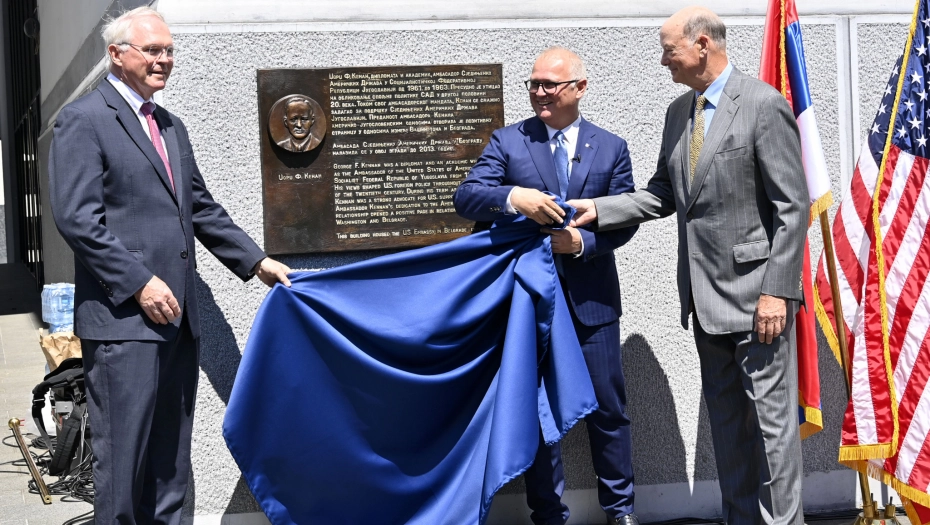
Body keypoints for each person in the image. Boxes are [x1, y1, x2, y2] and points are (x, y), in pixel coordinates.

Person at [48, 7, 292, 523]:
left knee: (171, 462)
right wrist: (139, 283)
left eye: (169, 50)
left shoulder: (170, 126)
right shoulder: (85, 119)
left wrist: (257, 262)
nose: (163, 59)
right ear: (117, 55)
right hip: (123, 323)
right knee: (123, 465)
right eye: (152, 50)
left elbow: (199, 208)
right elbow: (77, 219)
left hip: (178, 322)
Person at [569, 7, 809, 525]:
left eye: (668, 50)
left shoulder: (763, 104)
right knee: (728, 434)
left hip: (758, 303)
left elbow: (793, 208)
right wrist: (599, 211)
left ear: (702, 45)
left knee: (772, 438)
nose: (663, 61)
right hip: (703, 302)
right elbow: (663, 193)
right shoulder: (680, 112)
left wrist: (777, 292)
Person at [454, 47, 639, 525]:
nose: (539, 92)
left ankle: (620, 510)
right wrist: (514, 197)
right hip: (527, 305)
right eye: (533, 84)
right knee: (538, 413)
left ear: (580, 87)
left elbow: (625, 219)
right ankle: (548, 514)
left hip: (592, 305)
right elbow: (467, 197)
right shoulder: (509, 141)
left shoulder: (611, 146)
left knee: (608, 408)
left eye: (549, 85)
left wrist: (581, 243)